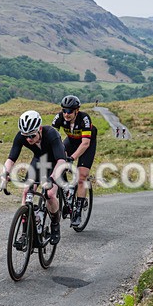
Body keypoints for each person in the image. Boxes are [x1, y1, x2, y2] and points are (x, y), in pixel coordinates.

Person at [0, 110, 68, 245]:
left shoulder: (51, 134)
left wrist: (52, 179)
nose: (29, 139)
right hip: (39, 161)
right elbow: (11, 158)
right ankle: (25, 233)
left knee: (49, 194)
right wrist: (4, 174)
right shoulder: (22, 136)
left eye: (32, 135)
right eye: (26, 136)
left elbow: (61, 160)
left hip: (56, 162)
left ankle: (55, 224)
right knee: (26, 192)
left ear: (40, 129)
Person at [51, 95, 97, 227]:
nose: (66, 114)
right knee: (58, 163)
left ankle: (77, 210)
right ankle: (67, 189)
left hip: (86, 144)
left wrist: (72, 158)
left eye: (70, 111)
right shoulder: (59, 117)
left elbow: (85, 143)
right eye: (64, 110)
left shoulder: (84, 118)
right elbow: (53, 138)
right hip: (71, 141)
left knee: (82, 175)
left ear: (76, 110)